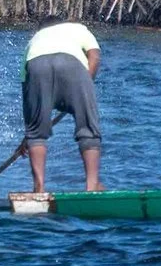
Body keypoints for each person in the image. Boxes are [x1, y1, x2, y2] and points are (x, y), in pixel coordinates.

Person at [22, 20, 105, 192]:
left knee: (37, 134)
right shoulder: (79, 28)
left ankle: (39, 188)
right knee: (88, 128)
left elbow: (27, 90)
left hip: (36, 65)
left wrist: (30, 134)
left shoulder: (34, 40)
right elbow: (95, 56)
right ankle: (92, 186)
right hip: (72, 64)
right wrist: (84, 88)